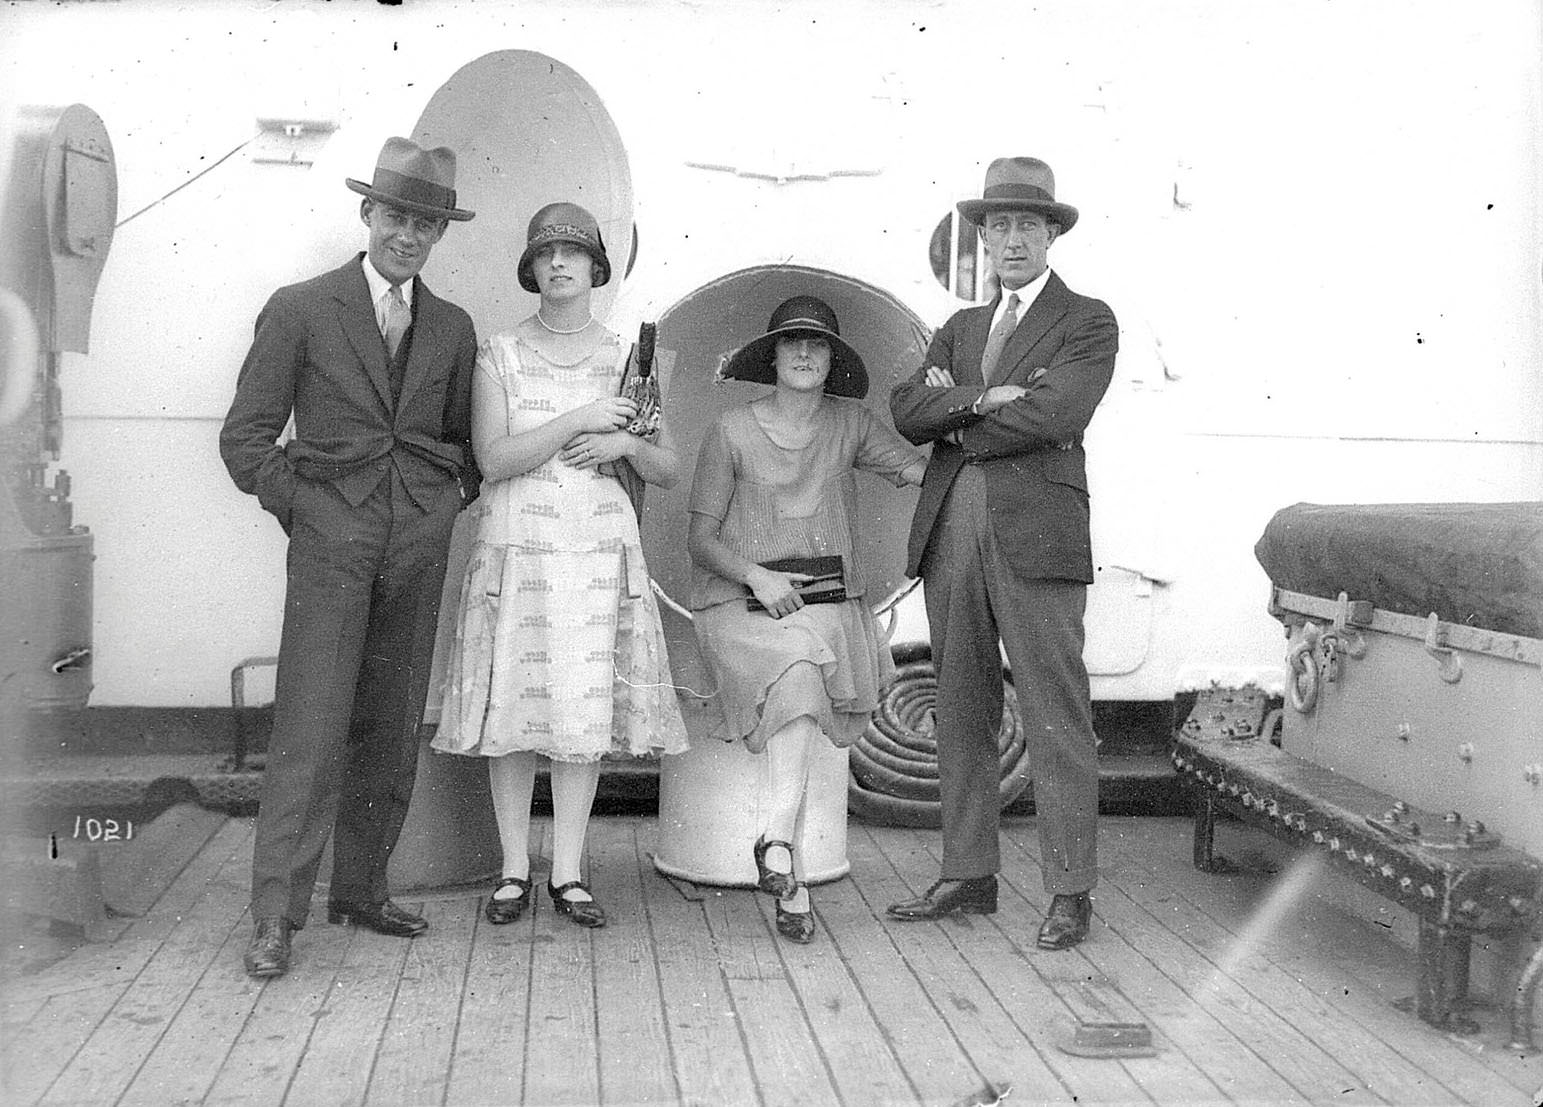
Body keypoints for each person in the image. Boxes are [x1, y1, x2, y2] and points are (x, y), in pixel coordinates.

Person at [220, 137, 480, 979]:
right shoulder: (301, 308)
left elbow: (461, 446)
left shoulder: (451, 325)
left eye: (427, 223)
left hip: (416, 547)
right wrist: (309, 509)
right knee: (310, 728)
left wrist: (439, 508)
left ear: (439, 235)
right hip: (332, 548)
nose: (409, 235)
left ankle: (361, 889)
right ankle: (275, 916)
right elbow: (246, 438)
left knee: (393, 720)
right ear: (367, 213)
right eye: (397, 216)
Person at [433, 202, 688, 929]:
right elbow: (494, 458)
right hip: (519, 546)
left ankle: (570, 872)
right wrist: (578, 420)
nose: (559, 264)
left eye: (574, 252)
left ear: (596, 267)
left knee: (580, 710)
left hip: (598, 551)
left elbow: (666, 467)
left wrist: (627, 448)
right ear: (531, 268)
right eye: (545, 254)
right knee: (514, 708)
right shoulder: (499, 353)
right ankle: (514, 869)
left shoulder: (627, 357)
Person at [887, 156, 1118, 951]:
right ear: (981, 237)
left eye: (1027, 223)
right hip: (951, 528)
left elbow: (1057, 414)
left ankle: (1068, 889)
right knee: (959, 704)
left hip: (1036, 536)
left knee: (1056, 716)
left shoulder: (1087, 320)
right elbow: (906, 408)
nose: (1011, 238)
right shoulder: (957, 327)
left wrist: (955, 416)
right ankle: (967, 872)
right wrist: (985, 398)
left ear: (1051, 233)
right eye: (998, 225)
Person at [688, 295, 926, 943]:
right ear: (770, 357)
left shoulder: (850, 425)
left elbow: (917, 468)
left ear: (831, 360)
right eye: (790, 342)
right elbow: (701, 540)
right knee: (796, 666)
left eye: (815, 344)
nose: (801, 353)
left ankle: (779, 858)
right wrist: (757, 576)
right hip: (740, 602)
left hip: (824, 605)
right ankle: (776, 842)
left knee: (804, 656)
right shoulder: (731, 431)